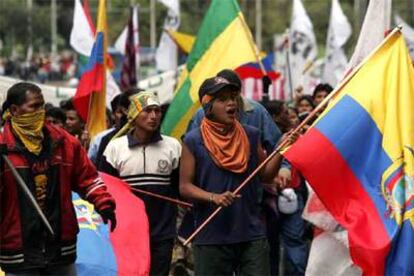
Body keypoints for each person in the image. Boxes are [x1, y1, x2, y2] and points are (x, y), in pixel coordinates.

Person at [180, 76, 296, 275]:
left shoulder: (251, 135)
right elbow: (185, 187)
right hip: (211, 236)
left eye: (233, 97)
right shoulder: (192, 140)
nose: (231, 103)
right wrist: (213, 197)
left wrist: (280, 151)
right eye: (223, 99)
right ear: (207, 106)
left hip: (251, 233)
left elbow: (266, 176)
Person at [0, 82, 116, 275]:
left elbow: (87, 177)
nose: (40, 112)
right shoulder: (3, 147)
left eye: (42, 106)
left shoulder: (64, 142)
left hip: (60, 243)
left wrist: (103, 202)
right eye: (34, 107)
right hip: (19, 247)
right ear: (14, 110)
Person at [100, 91, 181, 276]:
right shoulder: (114, 147)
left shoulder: (173, 146)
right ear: (134, 115)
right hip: (126, 231)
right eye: (147, 111)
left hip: (162, 231)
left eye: (157, 111)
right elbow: (106, 188)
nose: (154, 116)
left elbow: (178, 188)